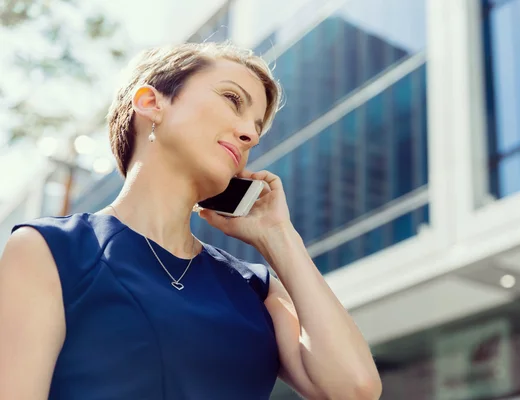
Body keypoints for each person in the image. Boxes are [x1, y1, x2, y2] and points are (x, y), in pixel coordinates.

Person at [0, 42, 382, 399]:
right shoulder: (52, 250)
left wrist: (279, 237)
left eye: (257, 129)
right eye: (233, 100)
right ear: (151, 103)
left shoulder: (256, 289)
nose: (249, 134)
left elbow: (355, 388)